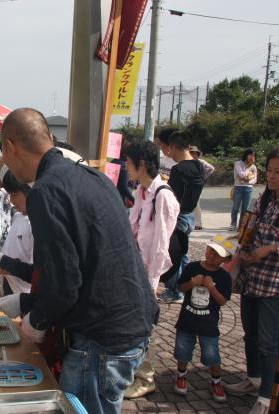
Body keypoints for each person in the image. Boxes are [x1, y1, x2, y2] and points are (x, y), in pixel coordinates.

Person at [0, 108, 158, 414]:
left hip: (102, 337)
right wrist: (29, 303)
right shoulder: (93, 177)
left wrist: (35, 321)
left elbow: (63, 285)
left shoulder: (45, 192)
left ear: (10, 147)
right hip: (133, 323)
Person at [226, 147, 279, 414]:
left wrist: (270, 249)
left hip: (274, 284)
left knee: (269, 342)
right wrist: (244, 247)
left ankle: (266, 396)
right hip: (250, 277)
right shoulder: (263, 199)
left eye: (278, 172)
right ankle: (253, 378)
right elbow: (250, 229)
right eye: (269, 170)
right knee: (251, 334)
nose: (271, 176)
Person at [123, 141, 180, 399]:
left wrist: (152, 283)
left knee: (146, 326)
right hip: (135, 270)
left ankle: (146, 378)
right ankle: (135, 372)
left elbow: (160, 246)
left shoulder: (162, 195)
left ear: (142, 164)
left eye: (129, 161)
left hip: (147, 274)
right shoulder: (142, 192)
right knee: (135, 325)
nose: (125, 166)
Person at [173, 235, 236, 403]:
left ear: (226, 259)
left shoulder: (224, 277)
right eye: (210, 250)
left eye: (218, 254)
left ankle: (216, 380)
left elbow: (223, 301)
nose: (212, 255)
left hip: (208, 324)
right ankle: (181, 375)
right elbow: (180, 287)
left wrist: (210, 288)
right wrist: (193, 283)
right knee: (182, 350)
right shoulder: (192, 267)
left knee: (211, 354)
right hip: (187, 320)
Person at [159, 131, 205, 304]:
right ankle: (186, 286)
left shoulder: (178, 169)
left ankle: (175, 291)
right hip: (190, 215)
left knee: (172, 255)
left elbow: (172, 198)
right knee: (183, 254)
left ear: (172, 147)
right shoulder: (199, 165)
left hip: (178, 217)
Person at [231, 148, 258, 231]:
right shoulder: (238, 163)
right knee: (236, 207)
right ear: (246, 155)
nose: (252, 157)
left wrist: (248, 181)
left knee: (245, 209)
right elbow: (242, 175)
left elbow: (254, 179)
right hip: (238, 187)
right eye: (250, 155)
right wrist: (248, 167)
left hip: (248, 189)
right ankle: (233, 224)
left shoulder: (253, 167)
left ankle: (241, 226)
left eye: (253, 155)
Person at [189, 145, 215, 230]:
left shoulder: (201, 162)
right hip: (188, 185)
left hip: (197, 185)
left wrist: (204, 177)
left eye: (194, 153)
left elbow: (211, 168)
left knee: (196, 204)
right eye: (191, 153)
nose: (193, 155)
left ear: (197, 154)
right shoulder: (186, 162)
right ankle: (190, 222)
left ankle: (198, 224)